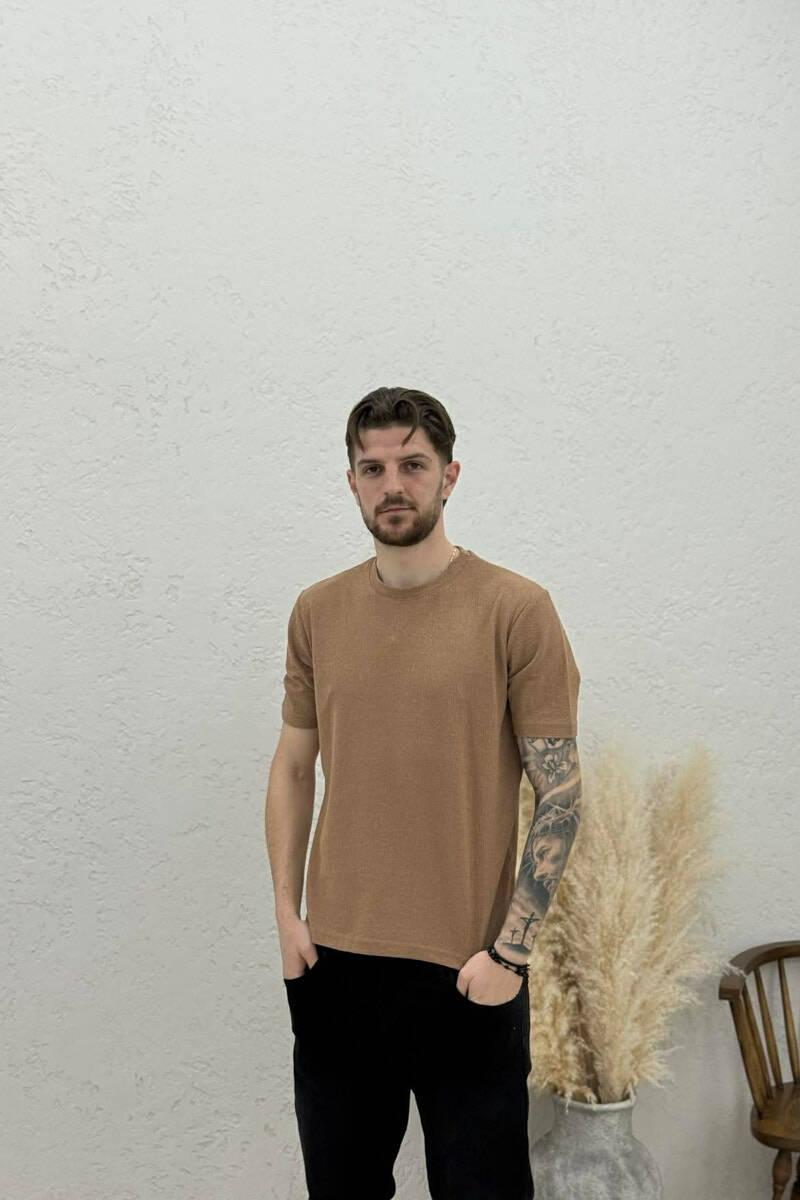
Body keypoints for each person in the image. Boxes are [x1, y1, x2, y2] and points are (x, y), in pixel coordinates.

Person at [265, 386, 583, 1200]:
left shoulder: (515, 609)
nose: (393, 485)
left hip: (468, 971)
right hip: (336, 968)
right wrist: (288, 918)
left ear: (450, 475)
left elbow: (560, 792)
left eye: (413, 464)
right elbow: (294, 765)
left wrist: (510, 955)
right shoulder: (317, 612)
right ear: (352, 482)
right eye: (372, 468)